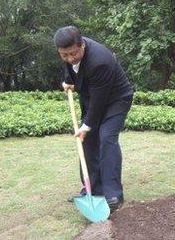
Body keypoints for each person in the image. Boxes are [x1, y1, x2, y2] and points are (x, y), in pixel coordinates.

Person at [54, 26, 134, 211]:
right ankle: (93, 189)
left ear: (82, 44)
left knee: (106, 138)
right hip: (94, 99)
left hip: (116, 100)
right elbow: (71, 67)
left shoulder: (100, 61)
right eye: (64, 55)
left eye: (73, 53)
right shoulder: (70, 51)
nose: (70, 58)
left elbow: (99, 103)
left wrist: (87, 125)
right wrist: (68, 80)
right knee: (87, 141)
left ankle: (113, 194)